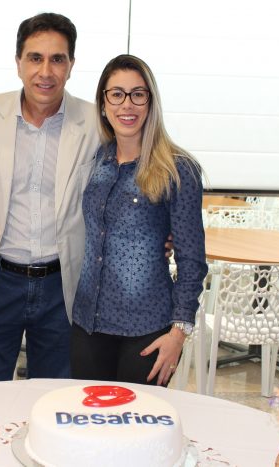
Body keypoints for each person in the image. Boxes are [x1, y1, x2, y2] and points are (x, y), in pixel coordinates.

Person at [0, 13, 101, 382]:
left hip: (61, 284)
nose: (46, 71)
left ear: (71, 65)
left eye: (57, 59)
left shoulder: (95, 123)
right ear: (18, 63)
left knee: (54, 394)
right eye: (35, 58)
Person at [70, 54, 207, 386]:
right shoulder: (95, 161)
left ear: (150, 102)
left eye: (137, 94)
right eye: (116, 94)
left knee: (139, 419)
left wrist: (178, 334)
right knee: (87, 416)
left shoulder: (178, 169)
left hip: (147, 331)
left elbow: (192, 261)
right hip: (88, 325)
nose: (126, 105)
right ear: (103, 104)